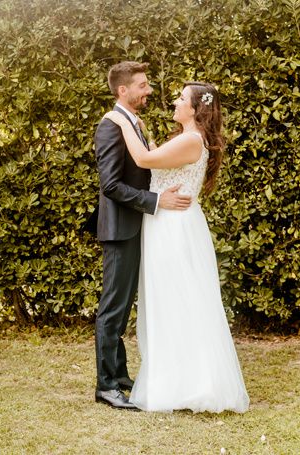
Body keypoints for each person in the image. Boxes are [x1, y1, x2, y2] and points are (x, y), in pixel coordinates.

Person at [104, 81, 250, 413]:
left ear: (196, 108)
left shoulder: (190, 139)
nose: (175, 101)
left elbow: (143, 160)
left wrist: (122, 119)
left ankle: (187, 383)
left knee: (176, 299)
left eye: (181, 98)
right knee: (175, 298)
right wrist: (140, 127)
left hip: (173, 228)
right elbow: (160, 162)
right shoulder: (188, 139)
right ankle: (181, 376)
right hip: (169, 224)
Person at [94, 62, 192, 410]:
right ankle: (106, 386)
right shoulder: (111, 125)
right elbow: (110, 185)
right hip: (120, 230)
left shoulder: (135, 123)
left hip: (136, 228)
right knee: (113, 308)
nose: (149, 90)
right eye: (143, 85)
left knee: (121, 309)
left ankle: (119, 376)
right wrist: (155, 200)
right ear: (124, 91)